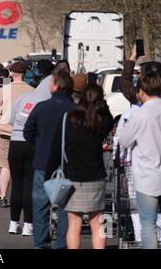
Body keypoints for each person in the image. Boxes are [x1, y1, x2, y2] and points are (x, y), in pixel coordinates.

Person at [46, 84, 114, 249]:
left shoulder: (68, 119)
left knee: (74, 225)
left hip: (72, 177)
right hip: (96, 177)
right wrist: (102, 106)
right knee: (98, 223)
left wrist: (48, 173)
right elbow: (110, 120)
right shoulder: (99, 121)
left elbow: (55, 149)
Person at [119, 73, 161, 249]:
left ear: (141, 91)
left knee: (148, 224)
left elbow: (124, 141)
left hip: (147, 176)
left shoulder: (140, 114)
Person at [24, 69, 75, 249]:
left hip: (42, 162)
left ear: (54, 86)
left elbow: (27, 132)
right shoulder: (75, 109)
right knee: (64, 207)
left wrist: (39, 143)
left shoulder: (42, 107)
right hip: (67, 164)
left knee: (40, 206)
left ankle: (41, 243)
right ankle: (61, 243)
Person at [7, 64, 53, 235]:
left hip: (15, 143)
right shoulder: (45, 103)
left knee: (16, 184)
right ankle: (28, 224)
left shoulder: (24, 97)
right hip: (33, 143)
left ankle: (13, 223)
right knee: (29, 185)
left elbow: (11, 119)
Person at [0, 61, 34, 208]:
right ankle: (23, 196)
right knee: (25, 166)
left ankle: (3, 197)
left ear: (11, 73)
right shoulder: (31, 90)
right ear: (24, 74)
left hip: (6, 131)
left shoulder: (4, 90)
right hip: (25, 133)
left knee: (5, 166)